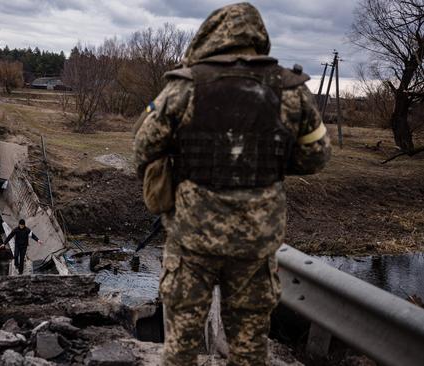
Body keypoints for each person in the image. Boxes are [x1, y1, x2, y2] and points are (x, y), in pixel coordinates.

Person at [134, 3, 331, 366]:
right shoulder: (291, 89)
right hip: (255, 241)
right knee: (250, 346)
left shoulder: (184, 86)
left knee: (180, 346)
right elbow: (316, 157)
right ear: (258, 37)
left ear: (210, 36)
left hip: (192, 239)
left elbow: (143, 147)